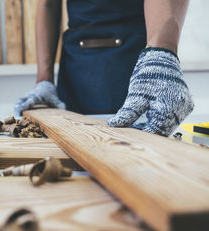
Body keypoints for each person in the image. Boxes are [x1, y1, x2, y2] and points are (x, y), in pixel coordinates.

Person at [14, 0, 194, 137]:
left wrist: (161, 54)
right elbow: (48, 4)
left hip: (138, 69)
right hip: (76, 71)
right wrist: (44, 80)